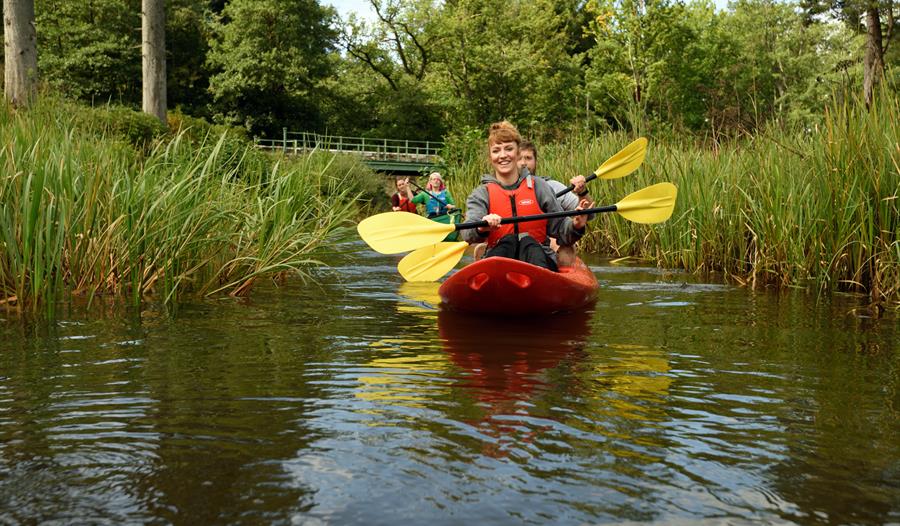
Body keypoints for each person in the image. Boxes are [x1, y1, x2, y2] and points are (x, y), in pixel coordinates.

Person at [462, 121, 589, 272]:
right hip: (500, 256)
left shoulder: (540, 186)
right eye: (496, 151)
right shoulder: (481, 193)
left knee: (528, 243)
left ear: (517, 154)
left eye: (509, 149)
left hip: (537, 258)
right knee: (508, 242)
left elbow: (562, 229)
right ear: (490, 157)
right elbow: (467, 233)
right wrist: (481, 227)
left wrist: (576, 225)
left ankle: (540, 282)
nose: (503, 155)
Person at [518, 140, 593, 266]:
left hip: (543, 244)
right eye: (520, 158)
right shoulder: (502, 189)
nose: (524, 163)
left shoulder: (551, 186)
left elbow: (589, 215)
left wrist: (582, 192)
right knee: (482, 247)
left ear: (535, 162)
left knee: (564, 247)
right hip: (512, 243)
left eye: (528, 158)